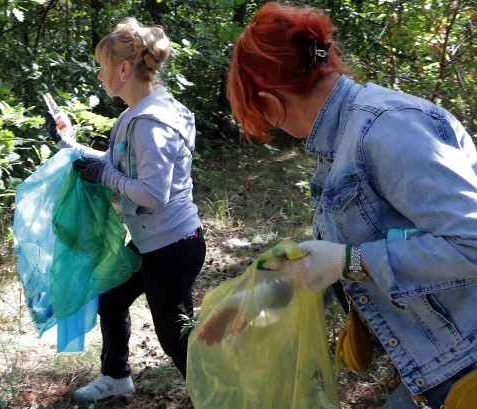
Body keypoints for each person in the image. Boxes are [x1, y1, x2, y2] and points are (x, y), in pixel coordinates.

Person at [198, 3, 477, 408]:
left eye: (263, 116)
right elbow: (349, 244)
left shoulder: (386, 128)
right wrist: (268, 293)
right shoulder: (344, 139)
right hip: (439, 361)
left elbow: (470, 242)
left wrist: (351, 261)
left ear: (269, 101)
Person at [44, 17, 206, 402]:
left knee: (177, 338)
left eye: (103, 67)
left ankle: (215, 395)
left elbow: (153, 194)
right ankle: (116, 376)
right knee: (111, 298)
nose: (100, 76)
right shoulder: (135, 114)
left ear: (123, 68)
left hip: (172, 247)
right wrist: (71, 145)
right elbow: (118, 166)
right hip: (155, 243)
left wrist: (104, 176)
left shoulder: (152, 123)